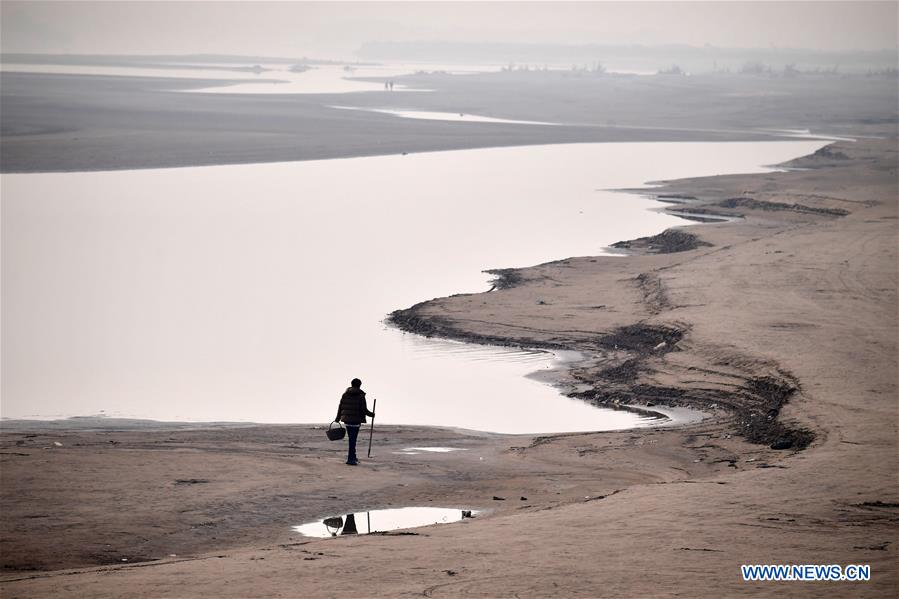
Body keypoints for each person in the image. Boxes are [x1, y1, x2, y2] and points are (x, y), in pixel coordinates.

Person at [334, 378, 375, 465]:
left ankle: (353, 457)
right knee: (353, 440)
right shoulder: (360, 395)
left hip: (347, 421)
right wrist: (371, 415)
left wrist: (337, 418)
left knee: (351, 439)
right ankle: (351, 459)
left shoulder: (345, 394)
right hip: (356, 421)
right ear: (360, 385)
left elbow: (340, 407)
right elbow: (363, 409)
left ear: (351, 384)